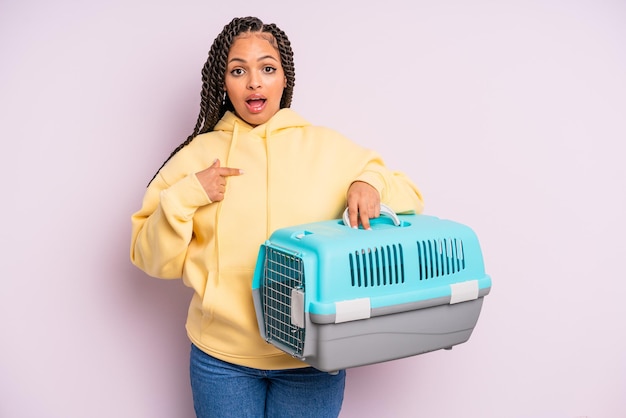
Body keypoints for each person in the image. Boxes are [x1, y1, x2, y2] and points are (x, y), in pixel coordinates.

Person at [130, 16, 424, 418]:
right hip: (221, 360)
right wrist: (188, 193)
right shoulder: (196, 157)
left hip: (313, 359)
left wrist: (369, 183)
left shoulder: (325, 146)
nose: (254, 82)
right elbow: (148, 258)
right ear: (223, 81)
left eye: (267, 68)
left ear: (285, 79)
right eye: (239, 70)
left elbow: (409, 196)